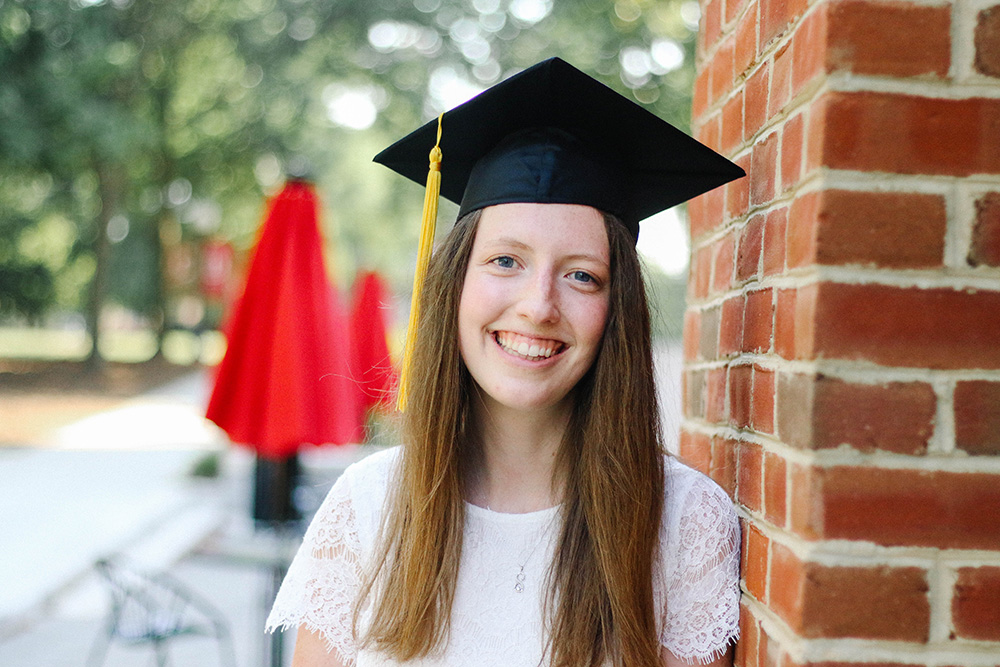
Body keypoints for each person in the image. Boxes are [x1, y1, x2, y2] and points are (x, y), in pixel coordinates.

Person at [266, 57, 745, 667]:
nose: (538, 305)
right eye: (505, 261)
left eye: (581, 275)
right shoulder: (368, 508)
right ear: (454, 284)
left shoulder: (682, 525)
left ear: (617, 313)